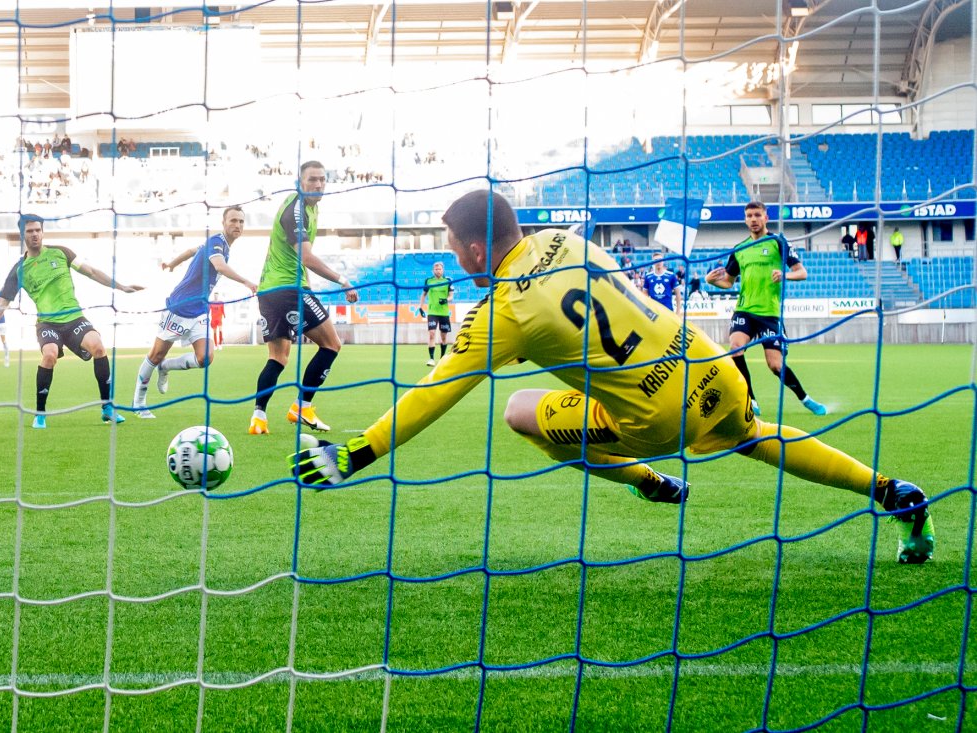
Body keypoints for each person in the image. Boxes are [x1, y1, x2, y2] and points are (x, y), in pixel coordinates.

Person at [289, 190, 935, 565]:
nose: (454, 257)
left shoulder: (502, 310)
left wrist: (358, 451)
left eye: (455, 247)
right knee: (758, 434)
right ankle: (891, 490)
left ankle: (652, 481)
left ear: (478, 250)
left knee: (520, 410)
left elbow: (432, 395)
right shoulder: (570, 241)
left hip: (654, 418)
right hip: (710, 367)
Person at [0, 214, 143, 428]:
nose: (35, 234)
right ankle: (40, 414)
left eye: (38, 230)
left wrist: (120, 286)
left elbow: (91, 272)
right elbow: (2, 303)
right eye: (30, 231)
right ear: (22, 234)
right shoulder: (19, 270)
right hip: (48, 324)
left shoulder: (61, 252)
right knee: (49, 355)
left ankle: (107, 408)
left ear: (42, 232)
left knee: (98, 346)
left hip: (74, 318)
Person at [248, 160, 359, 435]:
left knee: (278, 358)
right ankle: (302, 406)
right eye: (312, 179)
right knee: (332, 344)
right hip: (288, 290)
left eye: (322, 179)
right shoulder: (297, 210)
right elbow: (306, 257)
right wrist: (343, 281)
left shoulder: (309, 207)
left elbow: (295, 258)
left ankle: (258, 418)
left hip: (270, 291)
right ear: (300, 181)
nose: (318, 184)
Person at [132, 207, 257, 419]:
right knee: (155, 354)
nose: (238, 225)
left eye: (241, 222)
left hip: (200, 310)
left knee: (205, 357)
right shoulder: (216, 242)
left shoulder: (221, 245)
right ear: (224, 223)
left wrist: (172, 264)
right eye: (233, 220)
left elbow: (192, 251)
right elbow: (219, 266)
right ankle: (138, 402)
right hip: (181, 306)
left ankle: (166, 367)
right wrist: (246, 281)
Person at [705, 201, 827, 417]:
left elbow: (802, 272)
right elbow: (729, 282)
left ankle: (805, 399)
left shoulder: (777, 242)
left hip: (770, 313)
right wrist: (710, 281)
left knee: (775, 366)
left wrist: (785, 275)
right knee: (735, 347)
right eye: (749, 216)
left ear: (765, 218)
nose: (753, 219)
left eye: (757, 215)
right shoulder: (739, 249)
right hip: (744, 310)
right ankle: (751, 399)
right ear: (745, 219)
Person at [417, 260, 454, 366]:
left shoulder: (448, 280)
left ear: (443, 270)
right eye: (436, 269)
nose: (438, 271)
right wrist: (420, 307)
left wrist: (446, 300)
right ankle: (431, 359)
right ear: (433, 270)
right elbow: (423, 294)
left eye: (440, 269)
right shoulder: (428, 281)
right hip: (432, 312)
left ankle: (442, 358)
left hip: (444, 313)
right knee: (432, 334)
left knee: (443, 336)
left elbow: (451, 296)